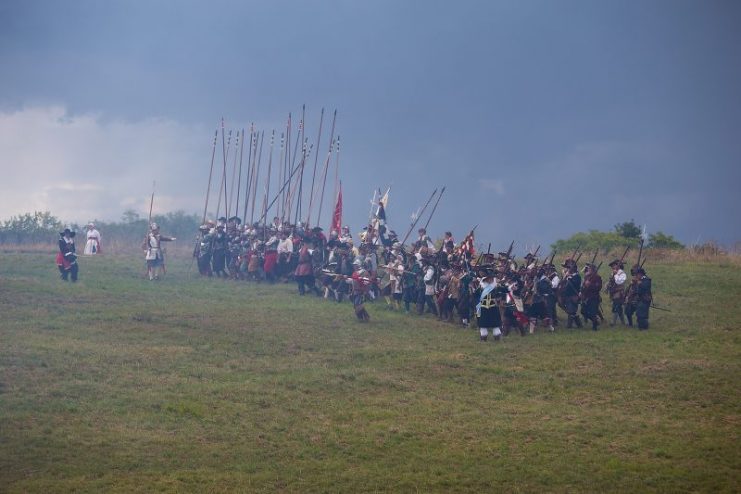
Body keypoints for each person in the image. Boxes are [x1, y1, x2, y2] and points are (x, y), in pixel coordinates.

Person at [475, 270, 504, 342]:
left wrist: (497, 299)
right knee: (483, 324)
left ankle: (497, 339)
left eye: (490, 278)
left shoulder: (496, 287)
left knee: (495, 324)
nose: (489, 280)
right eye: (488, 279)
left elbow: (501, 295)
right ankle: (483, 339)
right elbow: (475, 295)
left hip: (493, 307)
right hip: (483, 308)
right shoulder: (481, 287)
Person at [580, 263, 603, 330]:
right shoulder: (586, 277)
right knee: (583, 311)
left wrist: (590, 285)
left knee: (593, 312)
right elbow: (583, 286)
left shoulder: (597, 277)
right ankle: (595, 321)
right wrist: (581, 292)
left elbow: (598, 287)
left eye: (590, 269)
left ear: (593, 270)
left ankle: (594, 327)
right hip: (586, 297)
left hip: (593, 297)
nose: (588, 270)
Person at [606, 259, 627, 326]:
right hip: (614, 293)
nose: (612, 267)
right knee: (619, 308)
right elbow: (610, 282)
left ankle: (613, 322)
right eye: (612, 266)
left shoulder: (622, 273)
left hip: (619, 293)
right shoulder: (613, 273)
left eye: (614, 265)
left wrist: (615, 275)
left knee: (616, 306)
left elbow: (619, 282)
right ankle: (624, 323)